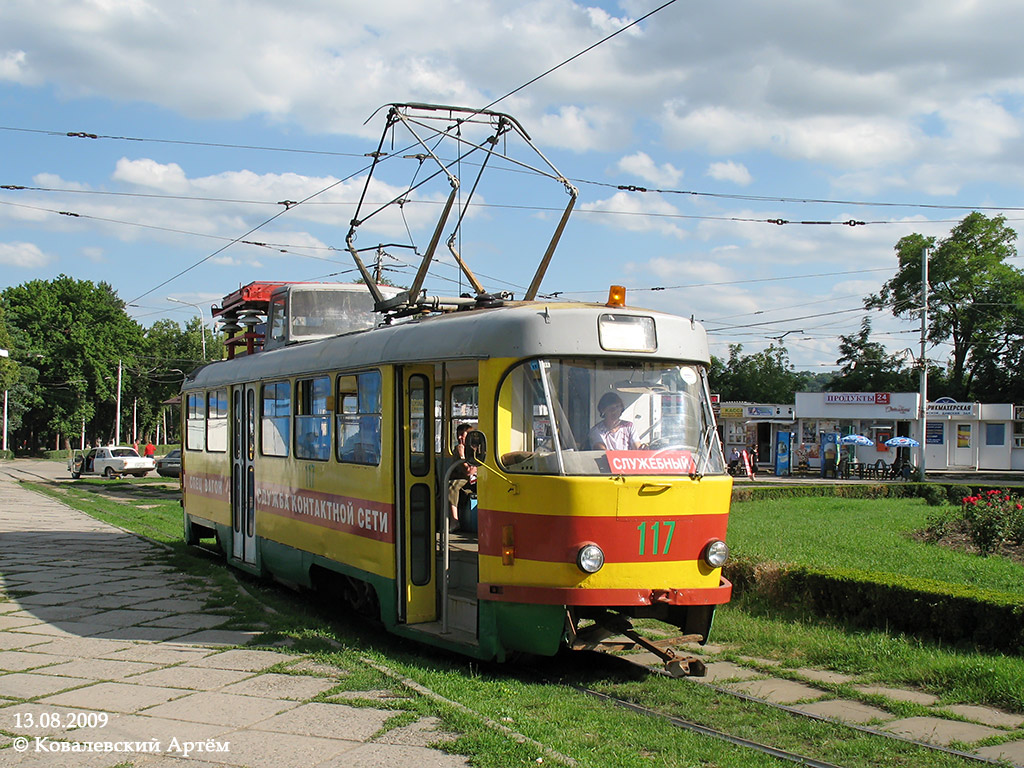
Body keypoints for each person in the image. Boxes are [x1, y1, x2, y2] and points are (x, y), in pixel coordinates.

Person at [448, 423, 477, 533]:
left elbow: (471, 471)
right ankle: (454, 520)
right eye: (458, 435)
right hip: (461, 478)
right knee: (452, 487)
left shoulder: (476, 448)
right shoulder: (458, 449)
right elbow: (467, 471)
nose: (459, 438)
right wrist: (461, 455)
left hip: (475, 479)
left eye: (462, 435)